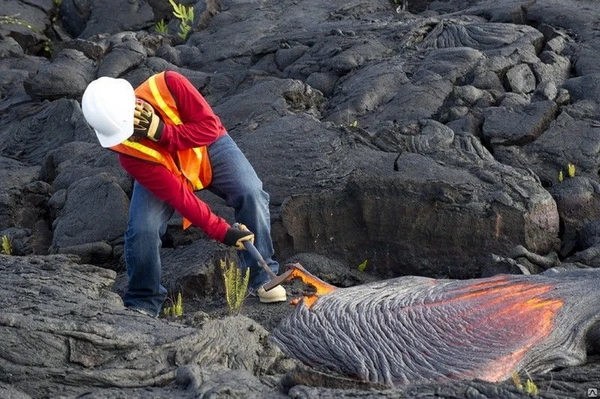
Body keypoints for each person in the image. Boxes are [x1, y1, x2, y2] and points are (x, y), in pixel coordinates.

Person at [81, 70, 286, 317]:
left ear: (135, 103)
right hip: (163, 168)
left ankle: (262, 276)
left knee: (251, 192)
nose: (130, 135)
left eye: (130, 128)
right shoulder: (128, 153)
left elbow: (210, 128)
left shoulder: (169, 84)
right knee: (142, 230)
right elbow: (179, 196)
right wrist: (222, 231)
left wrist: (163, 133)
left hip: (207, 147)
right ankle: (143, 302)